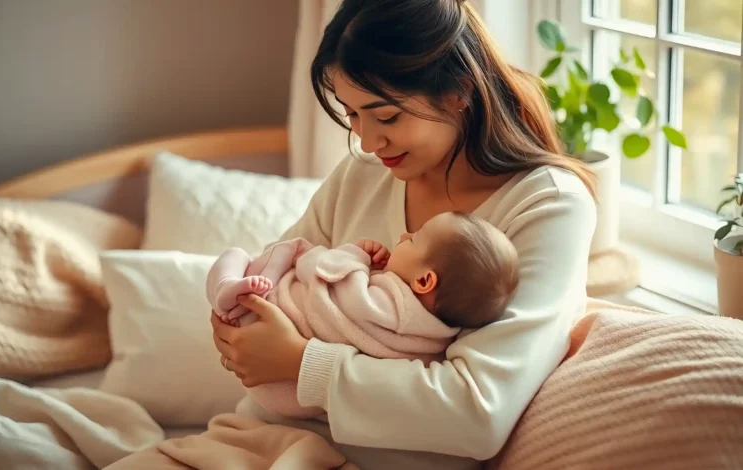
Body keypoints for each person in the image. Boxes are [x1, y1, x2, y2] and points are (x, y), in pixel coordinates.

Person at [110, 0, 597, 468]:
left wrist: (303, 365)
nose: (367, 140)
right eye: (352, 114)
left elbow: (478, 412)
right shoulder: (363, 173)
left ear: (459, 91)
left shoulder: (547, 206)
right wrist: (241, 319)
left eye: (386, 116)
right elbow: (276, 273)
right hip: (254, 439)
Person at [206, 211, 519, 420]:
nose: (404, 235)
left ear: (424, 281)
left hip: (268, 316)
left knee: (239, 256)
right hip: (290, 398)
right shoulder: (432, 340)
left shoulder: (385, 302)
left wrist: (356, 254)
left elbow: (329, 277)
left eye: (415, 238)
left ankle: (226, 288)